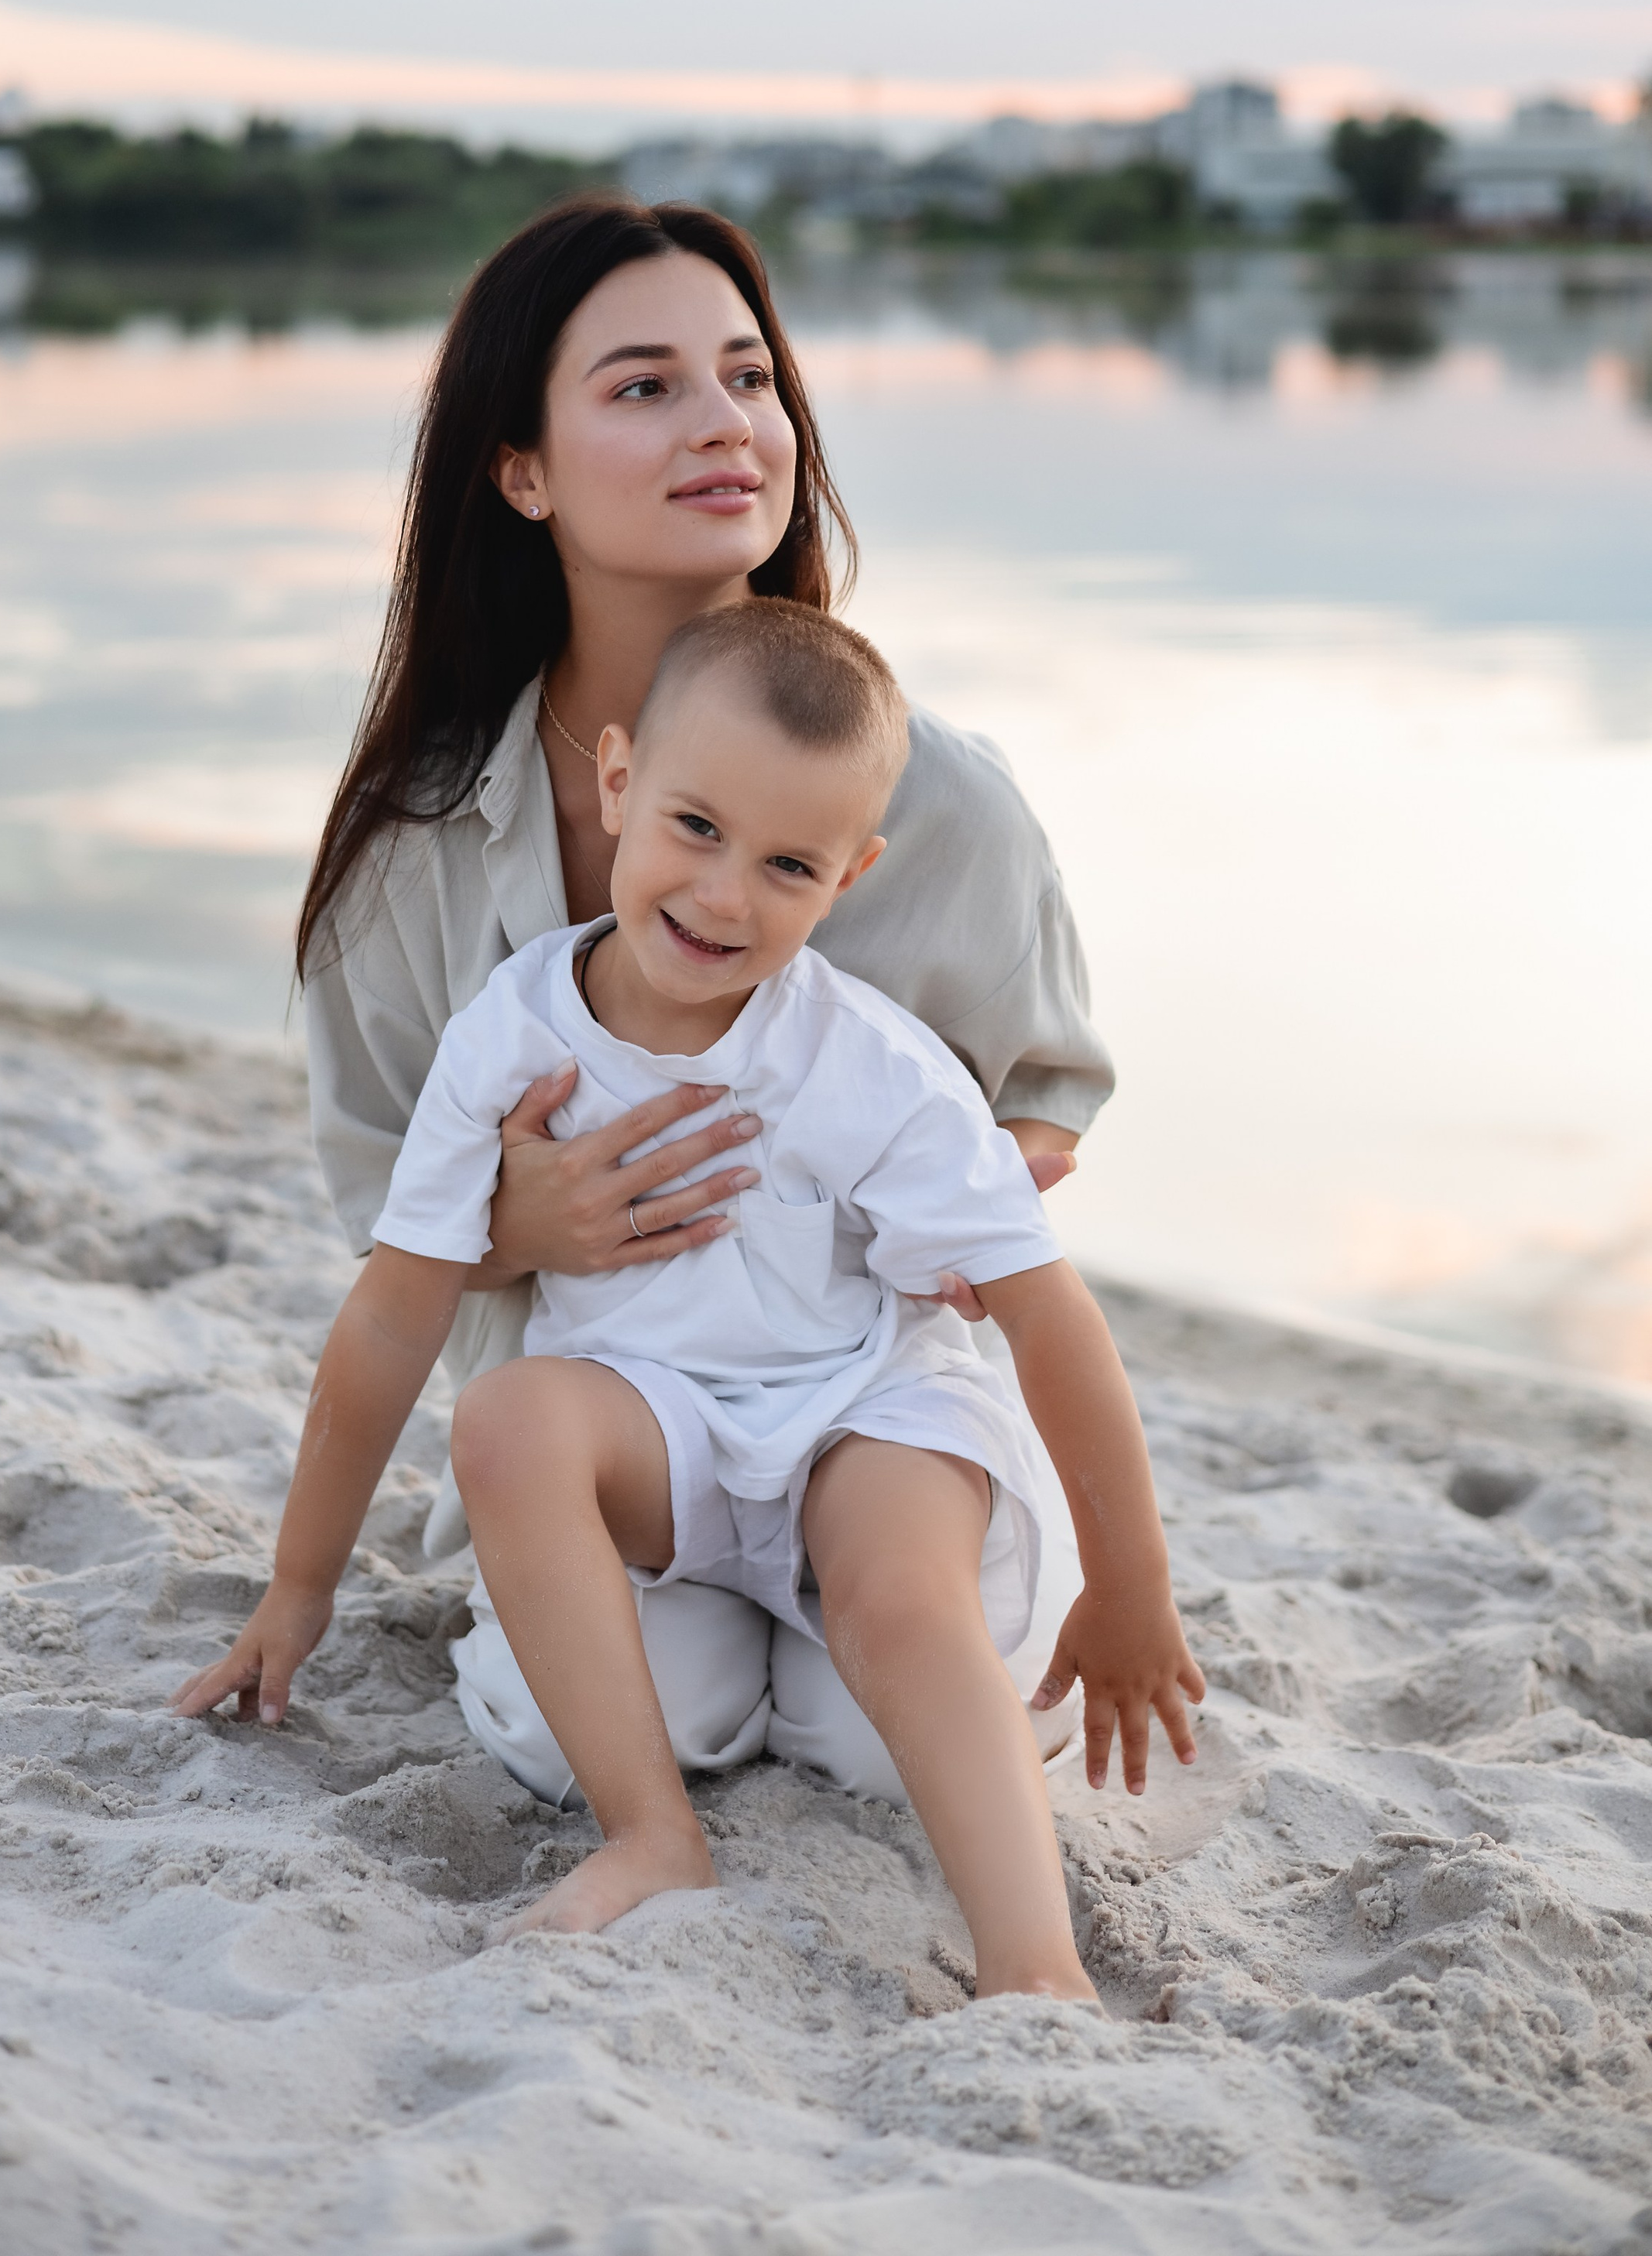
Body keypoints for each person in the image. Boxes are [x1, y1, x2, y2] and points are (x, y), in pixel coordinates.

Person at [179, 192, 1117, 1798]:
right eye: (644, 386)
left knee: (873, 1743)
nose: (724, 425)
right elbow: (378, 1220)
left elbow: (1039, 1103)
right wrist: (527, 1223)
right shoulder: (405, 849)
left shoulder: (940, 800)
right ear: (518, 467)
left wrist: (923, 1185)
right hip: (601, 1437)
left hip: (865, 1418)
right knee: (603, 1742)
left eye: (749, 378)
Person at [266, 598, 1201, 1994]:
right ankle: (653, 1837)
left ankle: (1032, 1962)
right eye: (696, 829)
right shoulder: (514, 1036)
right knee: (515, 1419)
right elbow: (398, 1315)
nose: (722, 897)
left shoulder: (876, 1067)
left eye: (787, 865)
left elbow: (1053, 1317)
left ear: (852, 877)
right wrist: (300, 1584)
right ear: (620, 782)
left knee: (896, 1593)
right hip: (660, 1430)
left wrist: (1134, 1592)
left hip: (860, 1410)